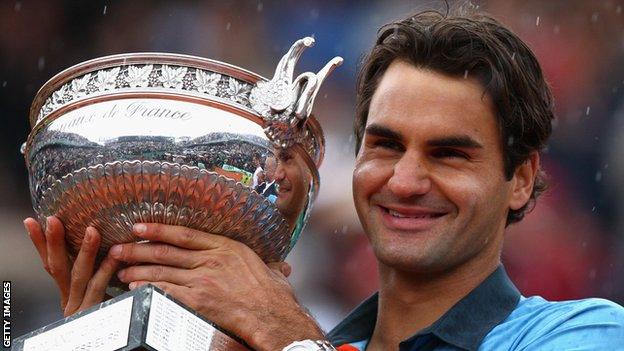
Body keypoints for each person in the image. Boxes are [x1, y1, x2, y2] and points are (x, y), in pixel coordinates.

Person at [23, 7, 624, 351]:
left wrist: (285, 332)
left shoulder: (584, 334)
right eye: (385, 145)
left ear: (520, 179)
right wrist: (113, 336)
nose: (406, 180)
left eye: (449, 154)